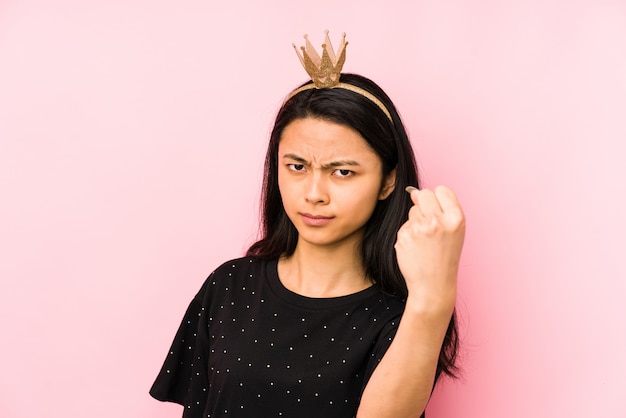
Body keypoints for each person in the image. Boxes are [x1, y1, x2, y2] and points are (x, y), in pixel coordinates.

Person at [150, 32, 465, 418]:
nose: (314, 193)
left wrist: (434, 296)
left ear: (387, 181)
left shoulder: (405, 317)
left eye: (343, 172)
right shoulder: (228, 286)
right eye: (296, 167)